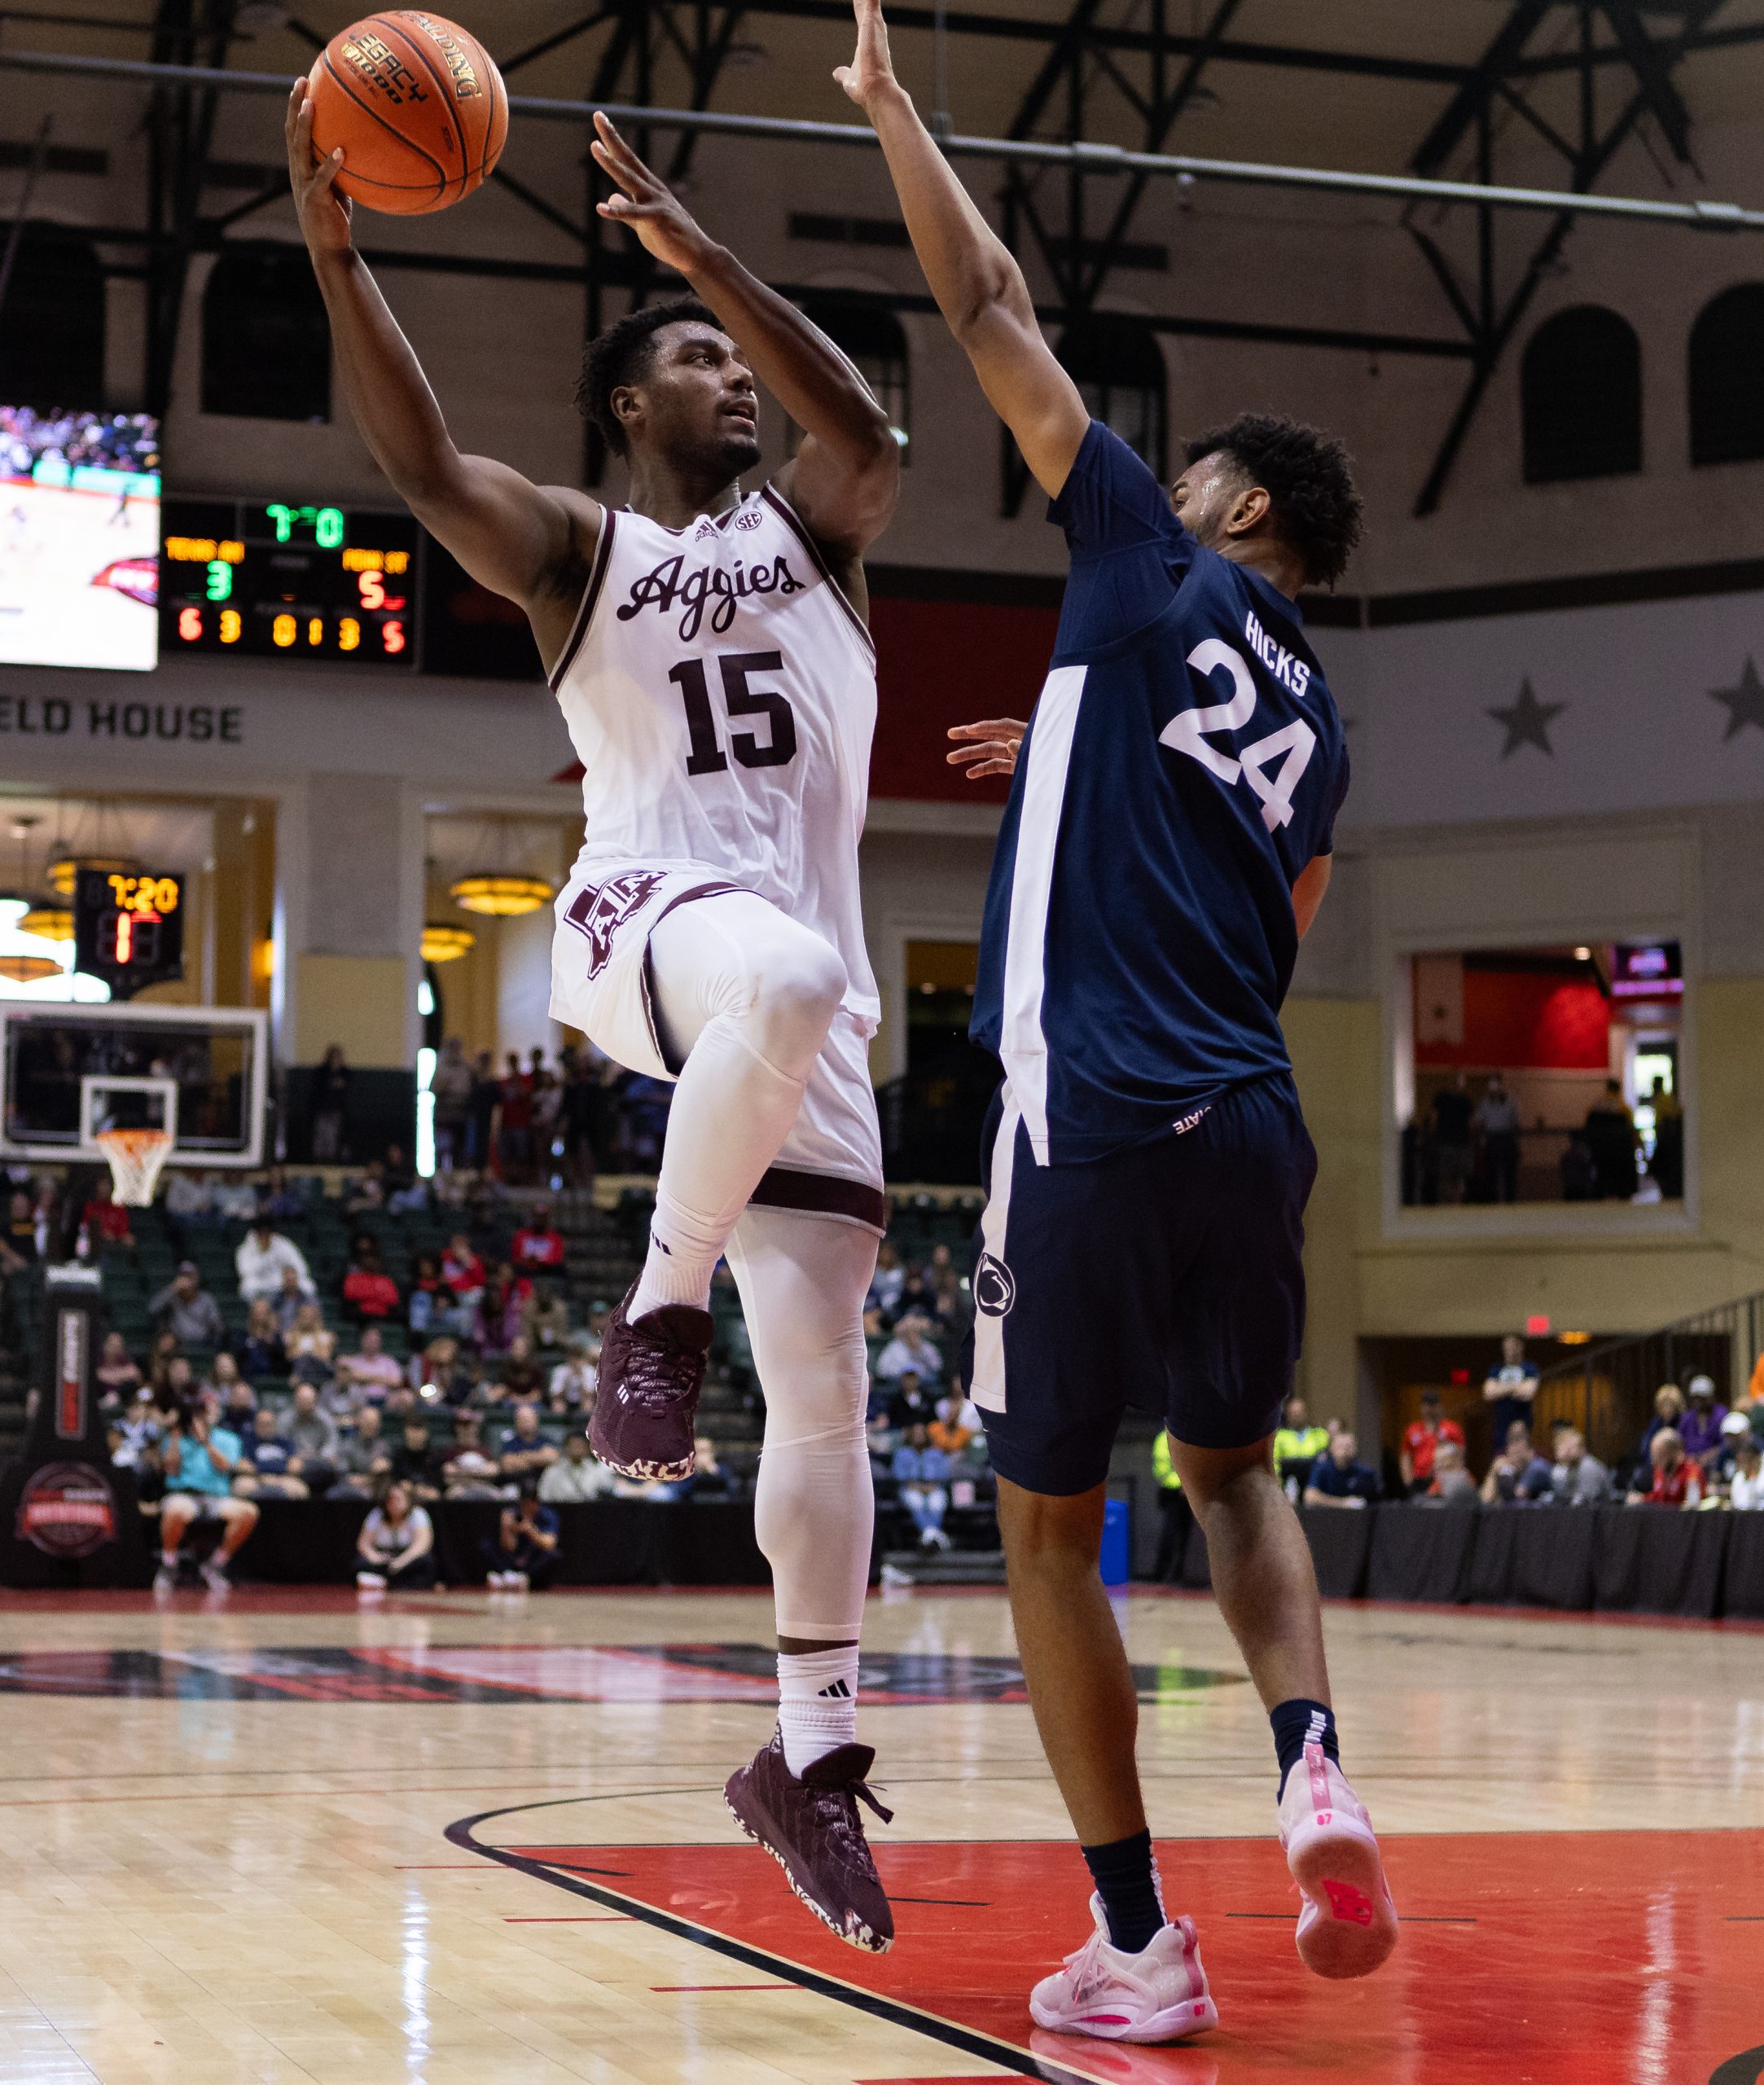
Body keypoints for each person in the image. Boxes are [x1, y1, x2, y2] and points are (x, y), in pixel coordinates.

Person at [288, 62, 908, 1947]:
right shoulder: (586, 554)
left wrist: (710, 257)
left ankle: (807, 1755)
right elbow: (417, 470)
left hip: (803, 1012)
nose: (733, 379)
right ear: (627, 407)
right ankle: (650, 1313)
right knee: (778, 975)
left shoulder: (820, 534)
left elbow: (868, 429)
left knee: (823, 1388)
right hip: (646, 926)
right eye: (695, 361)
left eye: (740, 361)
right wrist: (330, 241)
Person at [840, 0, 1390, 2028]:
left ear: (1227, 505)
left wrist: (897, 118)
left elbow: (981, 297)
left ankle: (1141, 1939)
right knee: (1236, 1475)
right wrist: (1077, 739)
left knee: (1043, 1520)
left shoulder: (1152, 554)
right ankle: (1307, 1754)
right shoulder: (1318, 732)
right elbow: (1274, 925)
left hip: (1086, 1114)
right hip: (1249, 1117)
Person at [156, 1404, 258, 1591]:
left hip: (216, 1497)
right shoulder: (174, 1438)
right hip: (184, 1495)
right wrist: (176, 1436)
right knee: (175, 1510)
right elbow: (170, 1468)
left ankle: (215, 1565)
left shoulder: (227, 1438)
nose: (197, 1421)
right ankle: (169, 1565)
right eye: (192, 1417)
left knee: (248, 1512)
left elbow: (225, 1466)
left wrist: (206, 1442)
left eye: (201, 1416)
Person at [356, 1481, 436, 1591]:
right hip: (383, 1557)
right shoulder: (377, 1514)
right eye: (391, 1500)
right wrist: (375, 1557)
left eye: (398, 1499)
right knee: (361, 1563)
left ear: (408, 1501)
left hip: (407, 1557)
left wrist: (400, 1562)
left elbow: (423, 1544)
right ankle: (383, 1582)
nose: (394, 1504)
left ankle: (393, 1584)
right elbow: (363, 1543)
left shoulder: (417, 1514)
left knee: (425, 1562)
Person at [485, 1485, 561, 1590]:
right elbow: (509, 1547)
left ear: (536, 1503)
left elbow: (549, 1544)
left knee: (553, 1555)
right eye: (523, 1504)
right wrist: (508, 1529)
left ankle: (522, 1579)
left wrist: (530, 1530)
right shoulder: (512, 1513)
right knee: (486, 1546)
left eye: (530, 1504)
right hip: (513, 1559)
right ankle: (507, 1576)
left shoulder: (547, 1515)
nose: (526, 1508)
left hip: (532, 1561)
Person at [892, 1424, 952, 1550]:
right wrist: (917, 1487)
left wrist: (930, 1487)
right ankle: (933, 1535)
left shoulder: (936, 1454)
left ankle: (928, 1536)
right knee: (916, 1501)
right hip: (910, 1488)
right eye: (916, 1433)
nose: (918, 1436)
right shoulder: (902, 1454)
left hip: (934, 1488)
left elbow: (943, 1475)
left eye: (921, 1433)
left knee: (936, 1502)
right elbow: (899, 1476)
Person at [232, 1406, 308, 1500]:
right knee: (241, 1487)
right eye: (262, 1424)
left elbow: (296, 1465)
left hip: (283, 1478)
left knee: (301, 1490)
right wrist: (262, 1476)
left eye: (269, 1424)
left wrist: (278, 1478)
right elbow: (242, 1464)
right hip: (255, 1479)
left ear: (275, 1425)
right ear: (255, 1425)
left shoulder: (285, 1442)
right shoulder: (248, 1442)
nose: (266, 1428)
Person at [1398, 1391, 1465, 1498]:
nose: (1429, 1409)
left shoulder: (1451, 1429)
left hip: (1442, 1478)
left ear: (1439, 1406)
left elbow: (1460, 1455)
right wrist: (1408, 1481)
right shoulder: (1412, 1430)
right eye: (1426, 1405)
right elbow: (1405, 1457)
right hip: (1419, 1480)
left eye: (1432, 1405)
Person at [149, 1261, 226, 1350]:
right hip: (178, 1347)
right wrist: (173, 1289)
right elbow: (152, 1309)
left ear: (197, 1279)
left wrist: (211, 1329)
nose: (187, 1281)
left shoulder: (206, 1299)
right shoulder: (172, 1298)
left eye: (190, 1277)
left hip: (203, 1344)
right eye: (183, 1276)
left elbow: (218, 1325)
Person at [236, 1218, 314, 1306]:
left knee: (309, 1286)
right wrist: (264, 1255)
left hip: (280, 1281)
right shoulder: (246, 1248)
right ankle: (260, 1311)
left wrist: (288, 1278)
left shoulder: (283, 1244)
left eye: (267, 1232)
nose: (265, 1235)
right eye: (262, 1232)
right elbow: (244, 1272)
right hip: (260, 1282)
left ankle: (292, 1309)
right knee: (247, 1286)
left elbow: (301, 1267)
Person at [1482, 1334, 1539, 1449]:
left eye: (1513, 1346)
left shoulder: (1529, 1368)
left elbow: (1528, 1393)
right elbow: (1488, 1393)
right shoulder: (1496, 1369)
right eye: (1507, 1347)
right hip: (1501, 1426)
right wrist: (1517, 1387)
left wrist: (1501, 1388)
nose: (1510, 1350)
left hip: (1522, 1422)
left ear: (1520, 1347)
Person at [1584, 1080, 1638, 1201]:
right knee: (1621, 1183)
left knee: (1602, 1179)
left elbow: (1588, 1127)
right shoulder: (1623, 1108)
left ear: (1607, 1088)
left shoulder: (1595, 1106)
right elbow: (1631, 1130)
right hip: (1620, 1153)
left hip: (1601, 1152)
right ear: (1619, 1090)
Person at [1472, 1074, 1521, 1203]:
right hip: (1492, 1139)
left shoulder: (1510, 1101)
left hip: (1507, 1139)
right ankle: (1491, 1202)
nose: (1493, 1089)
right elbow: (1478, 1122)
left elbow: (1515, 1123)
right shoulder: (1485, 1102)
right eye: (1491, 1086)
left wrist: (1515, 1142)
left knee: (1509, 1175)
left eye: (1495, 1085)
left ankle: (1510, 1202)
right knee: (1491, 1175)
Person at [1480, 1423, 1555, 1505]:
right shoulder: (1511, 1471)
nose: (1515, 1460)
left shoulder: (1537, 1467)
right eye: (1513, 1455)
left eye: (1519, 1454)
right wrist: (1493, 1472)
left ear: (1531, 1453)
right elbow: (1484, 1502)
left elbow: (1513, 1499)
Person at [1627, 1429, 1702, 1508]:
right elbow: (1658, 1497)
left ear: (1674, 1453)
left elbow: (1693, 1505)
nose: (1654, 1462)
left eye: (1659, 1456)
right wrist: (1641, 1499)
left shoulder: (1692, 1472)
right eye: (1653, 1456)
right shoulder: (1659, 1472)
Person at [1429, 1073, 1474, 1205]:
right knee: (1447, 1177)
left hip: (1457, 1143)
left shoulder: (1465, 1101)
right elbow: (1434, 1119)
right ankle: (1451, 1203)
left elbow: (1434, 1119)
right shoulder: (1444, 1098)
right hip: (1448, 1143)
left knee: (1455, 1176)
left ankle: (1454, 1202)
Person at [1271, 1397, 1331, 1495]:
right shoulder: (1279, 1436)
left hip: (1312, 1481)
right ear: (1287, 1415)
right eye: (1293, 1413)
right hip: (1286, 1481)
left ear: (1306, 1413)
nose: (1296, 1416)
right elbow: (1274, 1461)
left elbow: (1326, 1459)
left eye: (1299, 1412)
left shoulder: (1320, 1435)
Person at [1304, 1433, 1380, 1509]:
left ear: (1355, 1449)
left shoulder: (1365, 1473)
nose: (1343, 1452)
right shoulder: (1321, 1469)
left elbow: (1375, 1499)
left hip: (1357, 1518)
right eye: (1340, 1446)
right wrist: (1343, 1503)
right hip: (1327, 1516)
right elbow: (1310, 1497)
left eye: (1348, 1447)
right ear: (1331, 1448)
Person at [331, 1405, 392, 1498]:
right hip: (350, 1490)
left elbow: (385, 1476)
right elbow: (344, 1476)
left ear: (379, 1425)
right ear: (359, 1422)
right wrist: (370, 1479)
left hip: (375, 1490)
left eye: (374, 1423)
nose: (370, 1426)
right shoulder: (347, 1445)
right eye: (367, 1422)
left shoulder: (384, 1448)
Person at [539, 1431, 613, 1503]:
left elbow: (608, 1490)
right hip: (560, 1511)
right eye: (573, 1445)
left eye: (580, 1445)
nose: (577, 1449)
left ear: (587, 1448)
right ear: (566, 1447)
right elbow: (543, 1496)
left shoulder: (596, 1470)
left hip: (589, 1511)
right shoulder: (553, 1471)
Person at [1677, 1374, 1730, 1473]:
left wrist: (1707, 1456)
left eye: (1702, 1398)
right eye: (1695, 1398)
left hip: (1714, 1464)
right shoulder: (1687, 1418)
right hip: (1689, 1464)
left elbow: (1727, 1443)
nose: (1698, 1402)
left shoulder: (1721, 1415)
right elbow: (1678, 1440)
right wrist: (1686, 1457)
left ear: (1711, 1397)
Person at [336, 1325, 402, 1405]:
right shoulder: (353, 1361)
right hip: (362, 1401)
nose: (372, 1342)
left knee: (406, 1397)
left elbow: (396, 1382)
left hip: (386, 1400)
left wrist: (364, 1379)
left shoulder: (389, 1361)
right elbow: (348, 1377)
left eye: (375, 1340)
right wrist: (383, 1379)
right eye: (369, 1339)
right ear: (362, 1340)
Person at [1551, 1428, 1614, 1506]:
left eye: (1564, 1446)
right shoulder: (1571, 1466)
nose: (1559, 1451)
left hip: (1599, 1514)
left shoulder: (1588, 1467)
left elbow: (1584, 1503)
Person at [311, 1043, 352, 1163]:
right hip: (322, 1109)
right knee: (321, 1135)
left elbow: (347, 1085)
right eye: (334, 1057)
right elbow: (319, 1088)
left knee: (332, 1136)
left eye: (338, 1057)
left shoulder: (345, 1072)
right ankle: (318, 1159)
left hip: (336, 1110)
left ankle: (330, 1159)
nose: (336, 1060)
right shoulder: (322, 1072)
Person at [511, 1202, 566, 1278]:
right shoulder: (521, 1235)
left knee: (560, 1269)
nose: (539, 1220)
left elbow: (557, 1258)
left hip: (547, 1271)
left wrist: (539, 1260)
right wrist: (529, 1260)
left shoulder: (555, 1237)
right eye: (537, 1216)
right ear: (532, 1217)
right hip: (526, 1270)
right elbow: (516, 1257)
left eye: (542, 1217)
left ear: (547, 1218)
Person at [1423, 1440, 1477, 1507]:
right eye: (1436, 1461)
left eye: (1442, 1460)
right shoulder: (1438, 1483)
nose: (1437, 1465)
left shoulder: (1465, 1478)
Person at [1728, 1437, 1764, 1511]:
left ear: (1756, 1458)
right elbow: (1737, 1503)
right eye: (1740, 1461)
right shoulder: (1738, 1478)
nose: (1743, 1464)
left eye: (1747, 1460)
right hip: (1744, 1518)